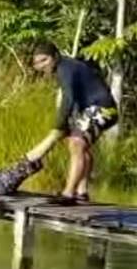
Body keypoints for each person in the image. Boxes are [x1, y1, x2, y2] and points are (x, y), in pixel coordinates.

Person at [26, 41, 119, 203]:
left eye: (44, 60)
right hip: (93, 109)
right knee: (79, 145)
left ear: (55, 56)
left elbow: (68, 99)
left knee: (76, 143)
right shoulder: (67, 67)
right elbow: (76, 98)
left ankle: (68, 194)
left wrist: (58, 126)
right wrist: (69, 124)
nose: (41, 65)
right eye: (37, 62)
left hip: (103, 109)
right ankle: (81, 192)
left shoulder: (65, 68)